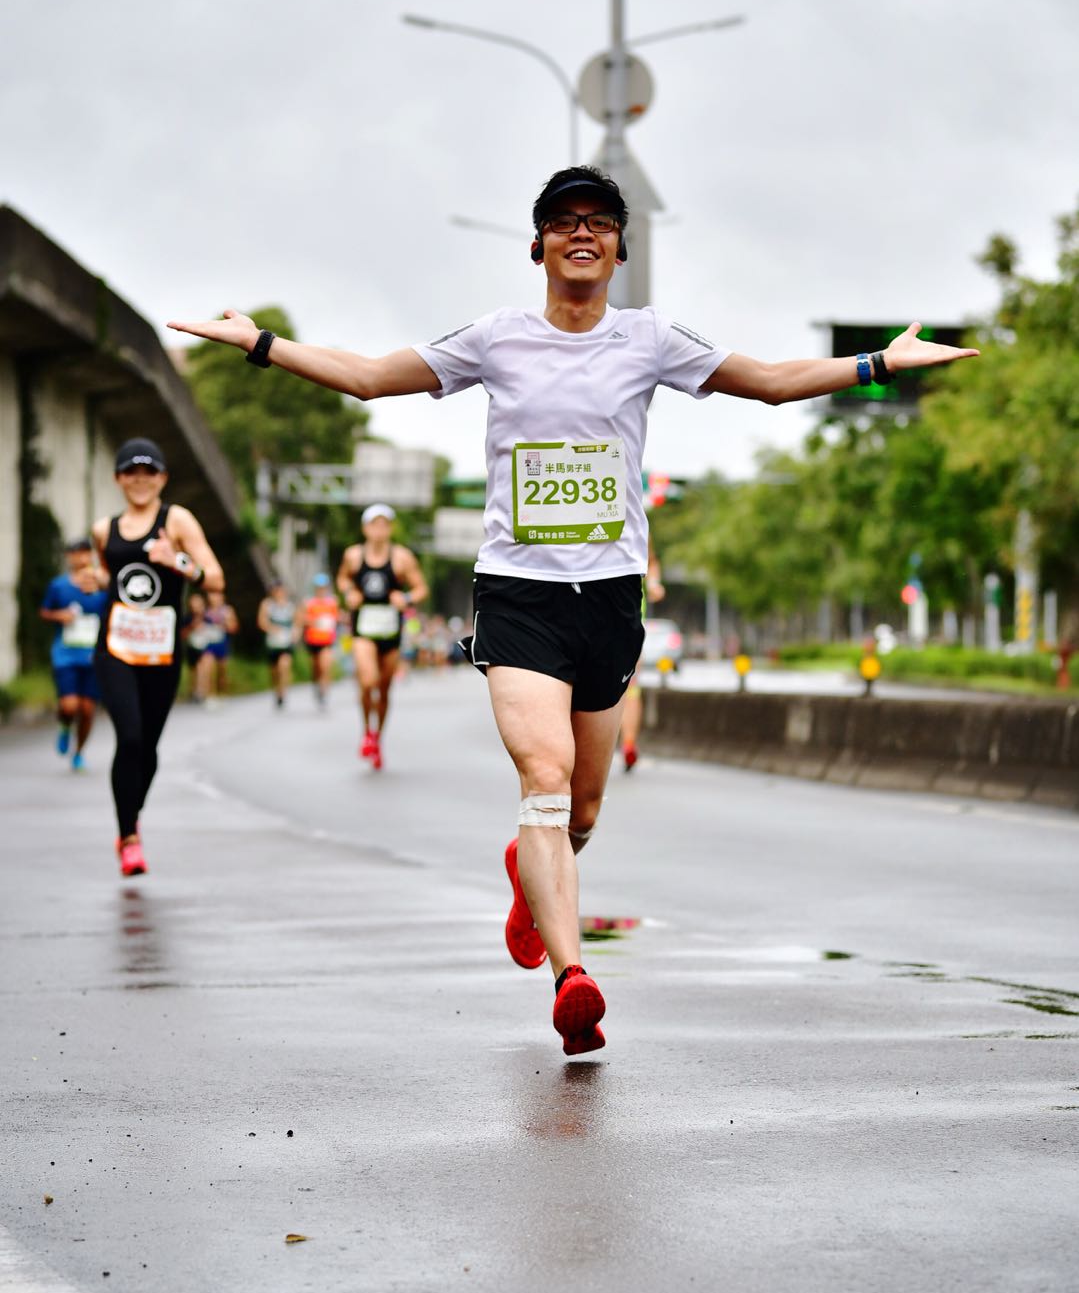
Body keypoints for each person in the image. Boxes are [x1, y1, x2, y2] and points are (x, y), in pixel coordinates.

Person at [169, 164, 977, 1053]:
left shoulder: (650, 338)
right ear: (537, 245)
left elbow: (771, 381)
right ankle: (572, 980)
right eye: (563, 220)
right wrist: (260, 343)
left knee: (581, 810)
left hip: (610, 598)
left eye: (599, 220)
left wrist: (876, 364)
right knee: (545, 779)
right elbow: (366, 378)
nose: (581, 231)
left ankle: (531, 879)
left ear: (620, 247)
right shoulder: (495, 338)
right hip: (518, 593)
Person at [91, 437, 224, 876]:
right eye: (131, 471)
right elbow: (108, 576)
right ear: (118, 478)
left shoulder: (177, 520)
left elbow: (215, 580)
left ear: (163, 478)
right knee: (128, 737)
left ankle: (132, 812)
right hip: (116, 647)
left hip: (162, 650)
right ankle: (128, 836)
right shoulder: (103, 529)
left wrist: (177, 561)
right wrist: (94, 580)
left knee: (147, 746)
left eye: (149, 471)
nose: (140, 479)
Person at [336, 504, 428, 769]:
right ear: (365, 528)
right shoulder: (354, 555)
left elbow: (421, 588)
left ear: (391, 528)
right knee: (368, 682)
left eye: (384, 524)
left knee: (385, 688)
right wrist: (349, 593)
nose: (379, 529)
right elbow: (342, 579)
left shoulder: (401, 557)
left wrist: (406, 598)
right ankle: (367, 729)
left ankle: (378, 738)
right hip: (363, 629)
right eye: (374, 524)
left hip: (390, 629)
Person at [39, 537, 109, 771]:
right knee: (69, 705)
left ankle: (78, 752)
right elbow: (44, 611)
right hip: (66, 655)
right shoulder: (59, 586)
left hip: (94, 656)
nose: (80, 557)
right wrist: (59, 616)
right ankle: (65, 725)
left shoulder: (103, 586)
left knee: (88, 709)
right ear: (68, 557)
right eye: (75, 553)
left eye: (84, 552)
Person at [619, 535, 665, 772]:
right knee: (631, 689)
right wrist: (654, 584)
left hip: (628, 622)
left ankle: (627, 745)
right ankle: (628, 744)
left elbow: (651, 560)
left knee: (629, 688)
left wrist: (654, 583)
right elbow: (651, 560)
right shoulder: (635, 521)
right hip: (630, 621)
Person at [194, 588, 239, 706]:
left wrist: (226, 624)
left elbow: (234, 628)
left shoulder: (227, 611)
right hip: (209, 644)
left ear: (222, 597)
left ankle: (222, 692)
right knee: (208, 668)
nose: (213, 598)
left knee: (221, 671)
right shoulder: (205, 611)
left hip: (222, 644)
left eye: (216, 595)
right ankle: (210, 695)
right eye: (211, 595)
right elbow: (197, 625)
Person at [300, 573, 339, 708]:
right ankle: (316, 684)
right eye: (319, 587)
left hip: (327, 639)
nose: (321, 590)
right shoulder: (309, 602)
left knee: (325, 665)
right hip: (313, 639)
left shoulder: (332, 602)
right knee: (316, 667)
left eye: (323, 587)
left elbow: (336, 617)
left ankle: (324, 691)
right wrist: (314, 621)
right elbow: (302, 619)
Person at [257, 580, 298, 707]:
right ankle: (277, 689)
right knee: (274, 671)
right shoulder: (267, 604)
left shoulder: (290, 606)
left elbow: (297, 622)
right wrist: (272, 628)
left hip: (286, 642)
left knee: (284, 665)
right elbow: (261, 621)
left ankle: (282, 692)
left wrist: (295, 633)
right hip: (273, 643)